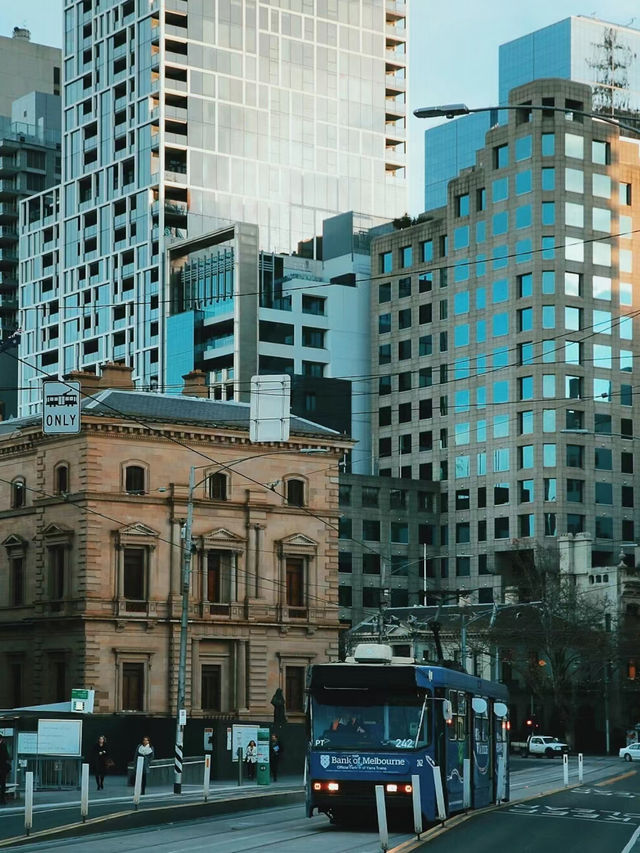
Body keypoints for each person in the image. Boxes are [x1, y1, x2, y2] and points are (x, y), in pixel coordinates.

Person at [0, 734, 10, 806]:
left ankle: (2, 799)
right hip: (2, 768)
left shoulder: (3, 746)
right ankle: (2, 799)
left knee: (2, 784)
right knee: (3, 784)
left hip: (2, 768)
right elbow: (7, 756)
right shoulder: (3, 746)